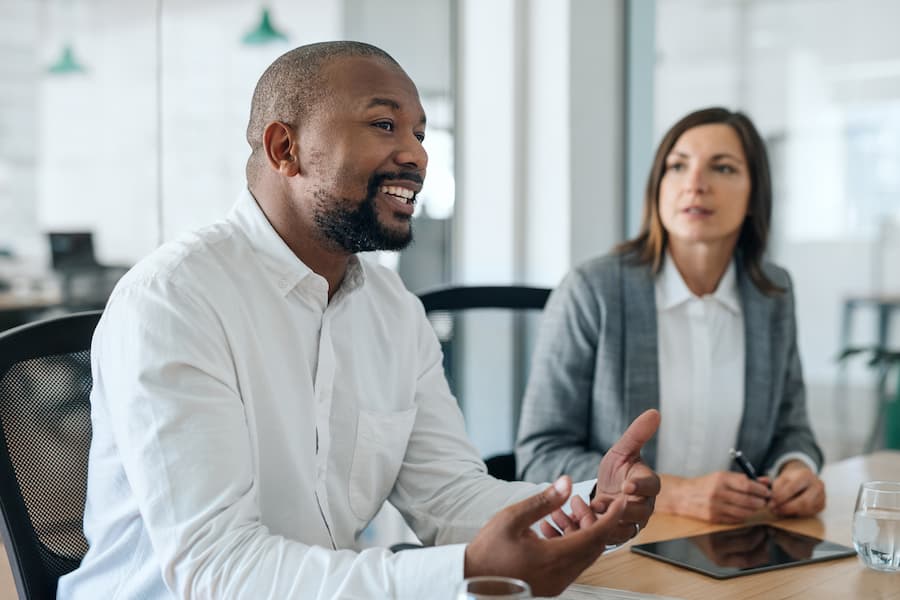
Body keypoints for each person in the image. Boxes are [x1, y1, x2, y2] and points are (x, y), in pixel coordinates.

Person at [57, 42, 661, 600]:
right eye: (384, 124)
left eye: (420, 133)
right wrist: (466, 571)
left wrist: (591, 502)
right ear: (284, 149)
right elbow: (219, 572)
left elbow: (448, 497)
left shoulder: (394, 312)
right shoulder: (175, 300)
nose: (417, 154)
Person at [516, 107, 826, 525]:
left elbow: (792, 429)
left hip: (731, 544)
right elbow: (541, 454)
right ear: (658, 187)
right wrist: (674, 493)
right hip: (614, 544)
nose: (695, 184)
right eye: (678, 166)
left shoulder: (772, 293)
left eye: (722, 167)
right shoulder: (593, 290)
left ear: (755, 195)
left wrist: (796, 468)